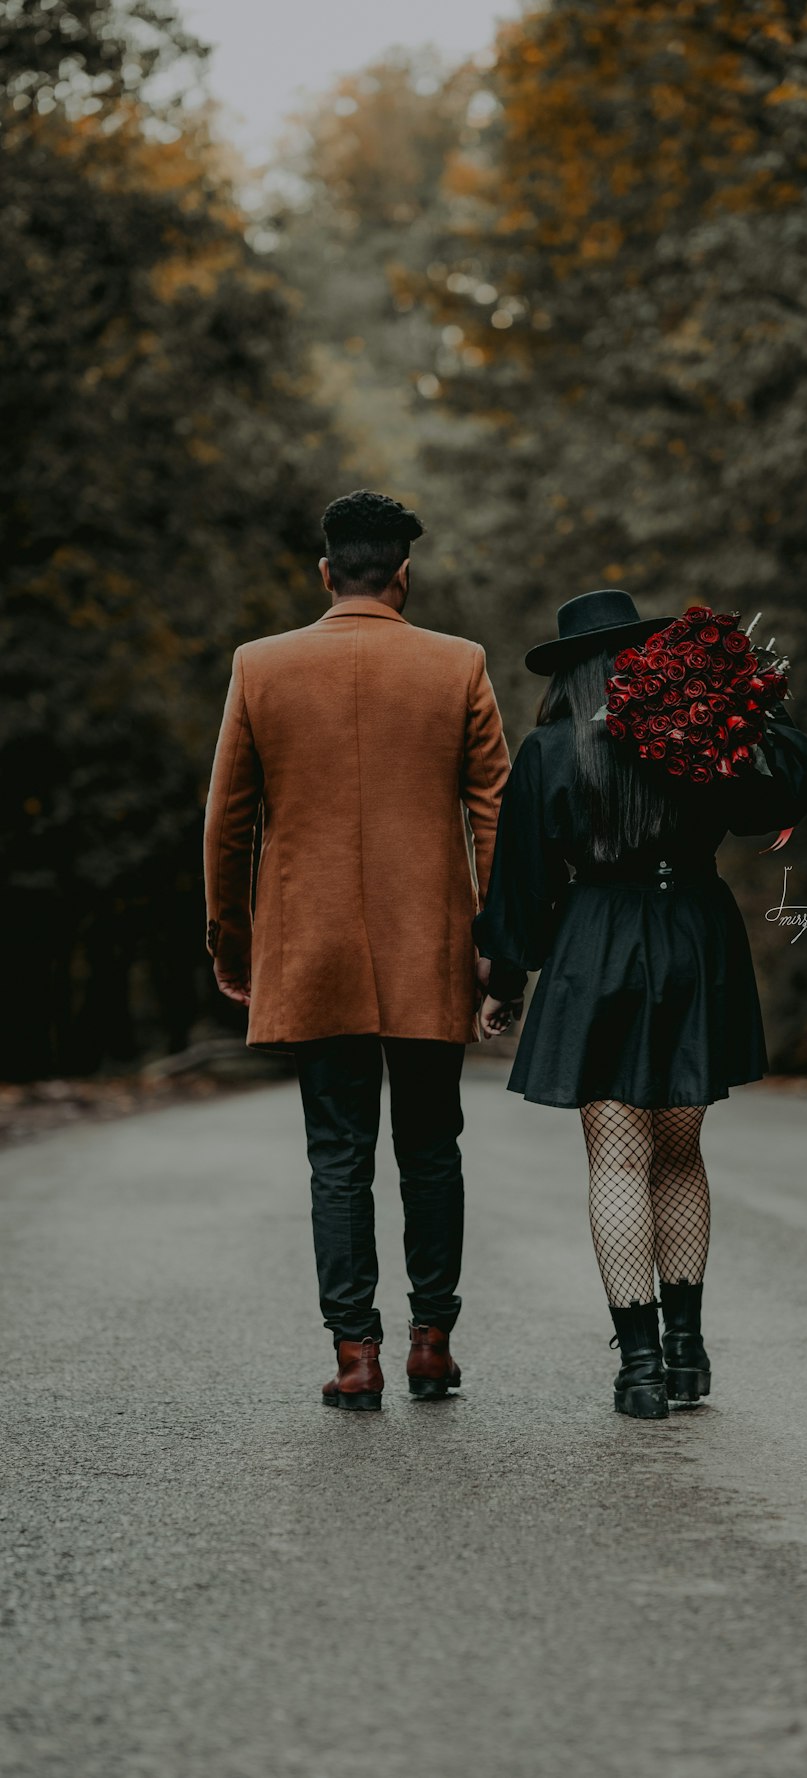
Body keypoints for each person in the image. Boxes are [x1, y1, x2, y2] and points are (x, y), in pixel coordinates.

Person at [473, 588, 807, 1420]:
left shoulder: (549, 751)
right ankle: (687, 1352)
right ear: (642, 660)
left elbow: (521, 885)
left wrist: (504, 985)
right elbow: (789, 786)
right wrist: (736, 703)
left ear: (568, 675)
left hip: (597, 941)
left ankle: (637, 1368)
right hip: (694, 938)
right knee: (680, 1151)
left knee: (617, 1159)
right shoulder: (693, 738)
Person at [203, 490, 509, 1411]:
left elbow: (227, 820)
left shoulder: (262, 667)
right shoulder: (460, 666)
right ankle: (431, 1342)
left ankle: (355, 1357)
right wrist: (497, 945)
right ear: (404, 576)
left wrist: (233, 938)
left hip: (314, 949)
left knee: (337, 1153)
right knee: (433, 1148)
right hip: (431, 948)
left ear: (326, 572)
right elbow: (494, 811)